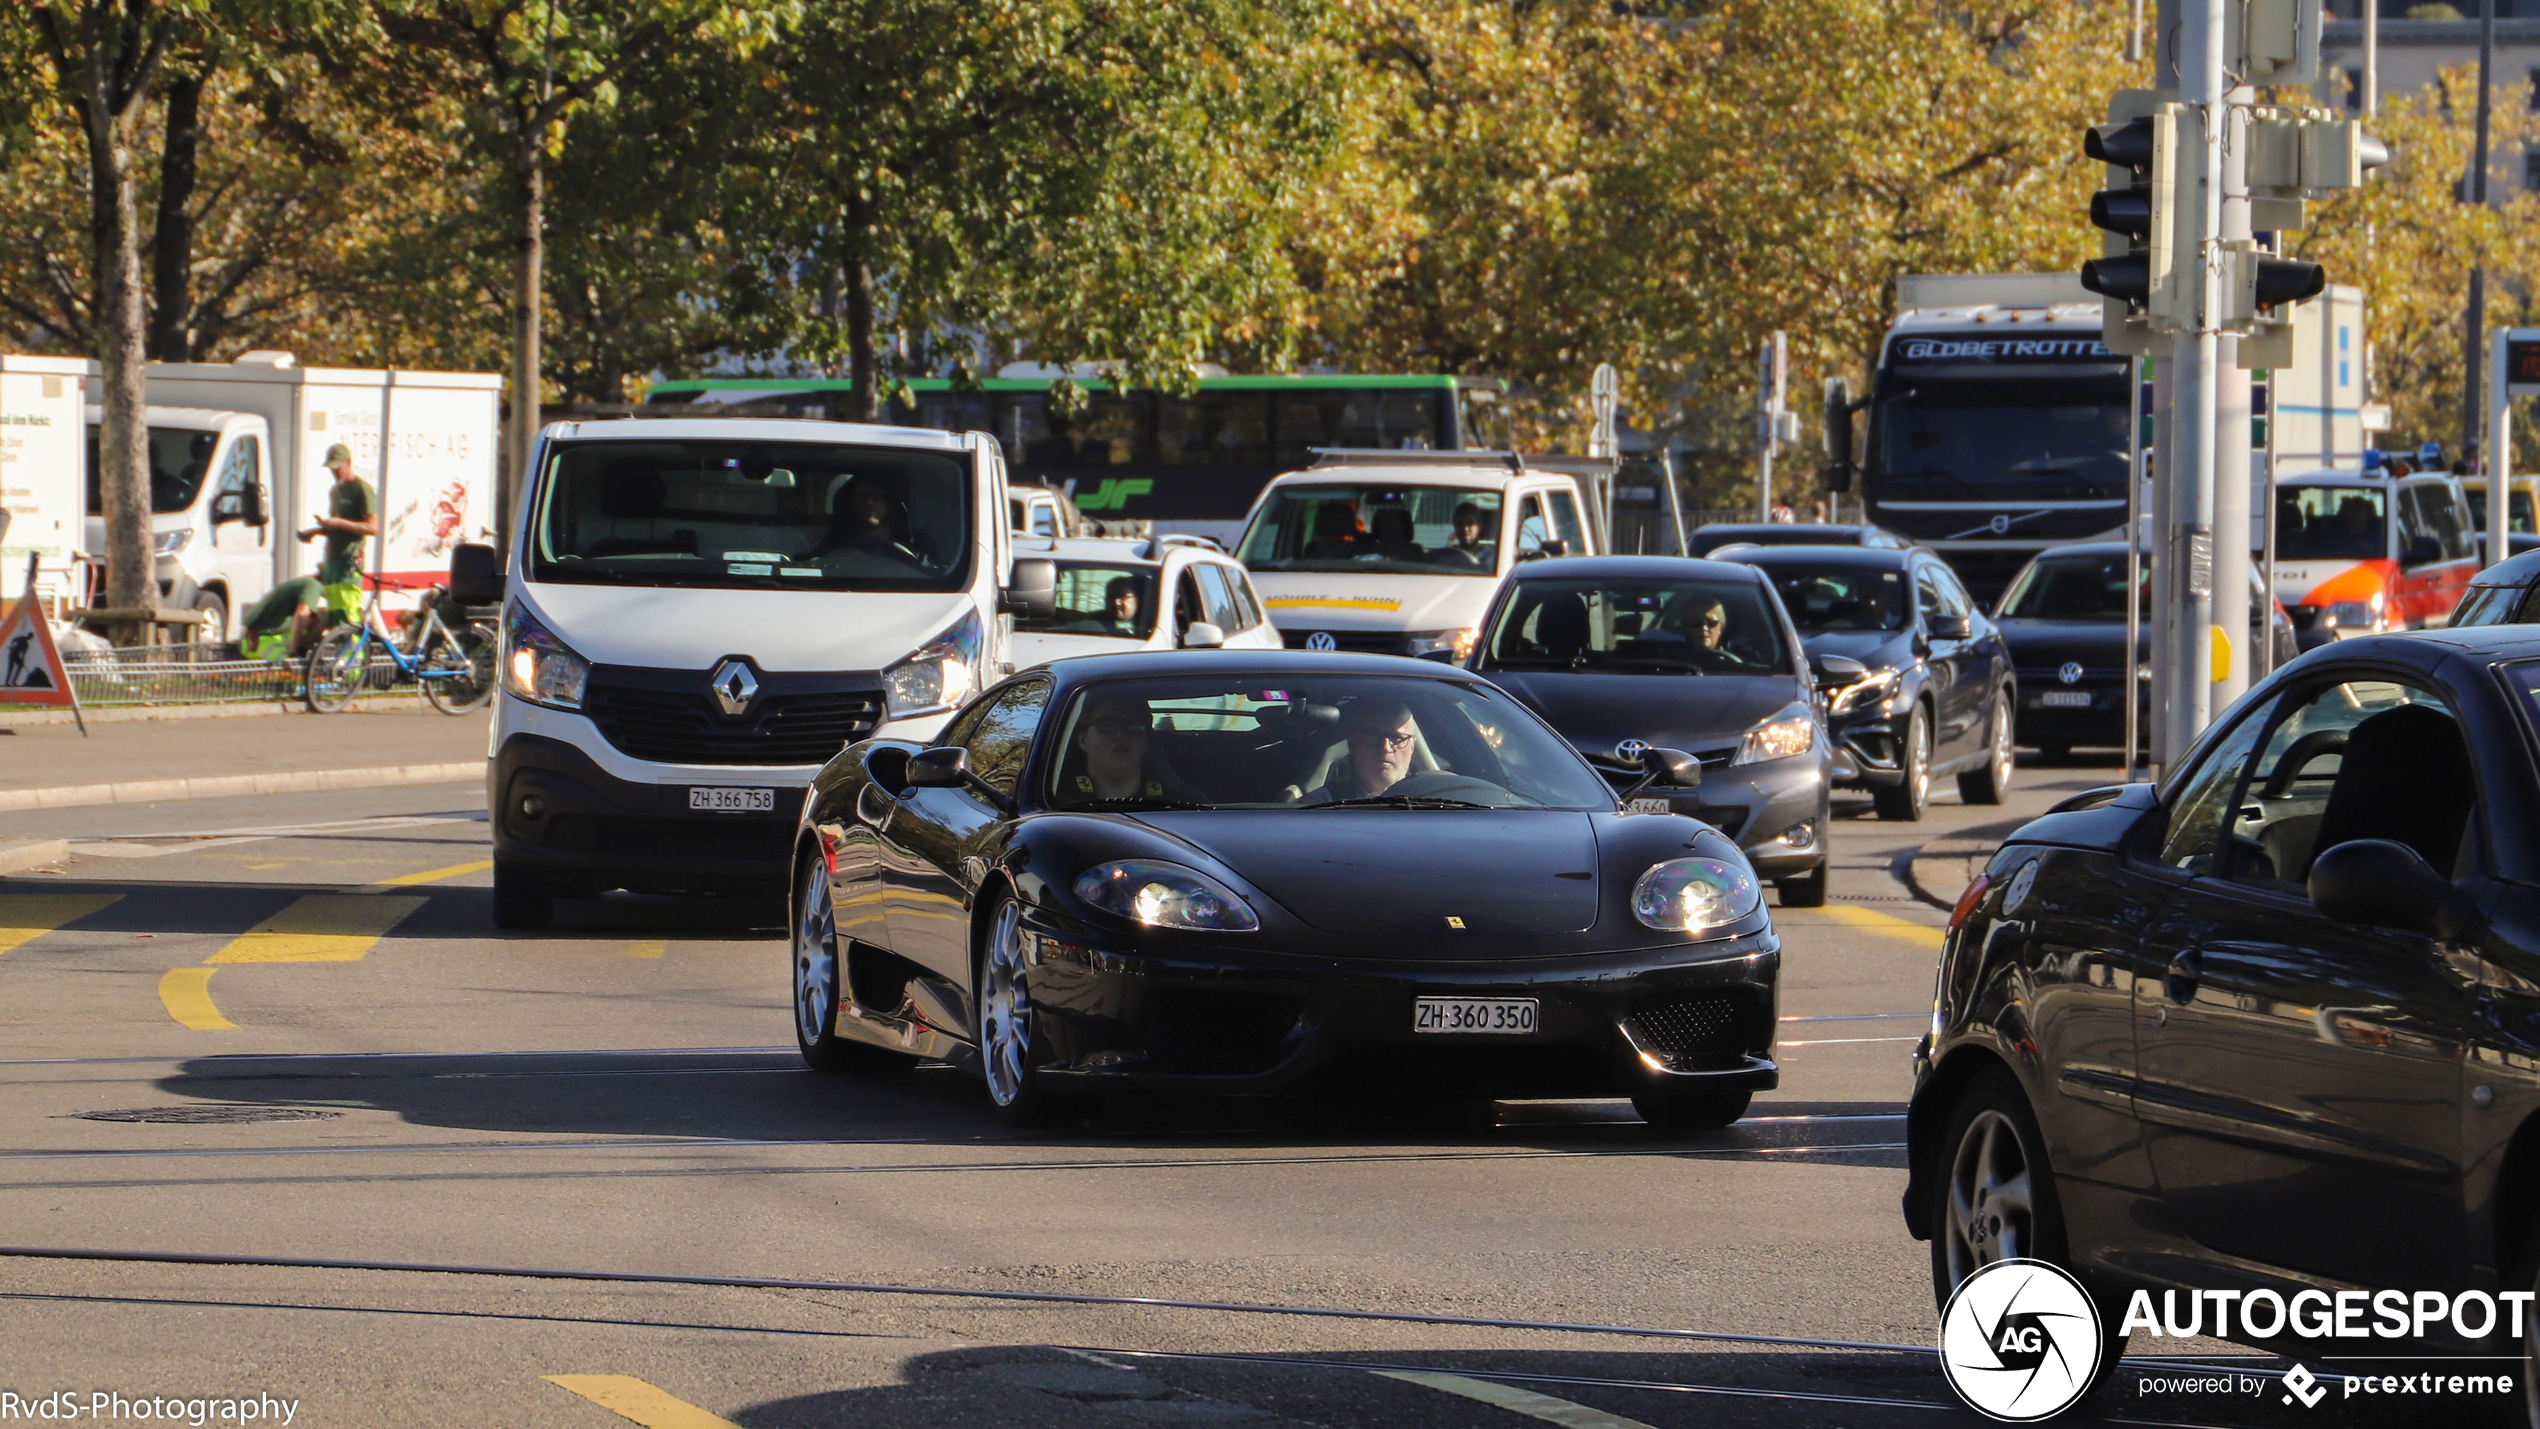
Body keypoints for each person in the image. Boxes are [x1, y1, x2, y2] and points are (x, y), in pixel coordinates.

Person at [235, 444, 373, 660]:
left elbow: (372, 527)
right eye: (331, 468)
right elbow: (334, 529)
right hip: (333, 564)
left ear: (348, 463)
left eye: (338, 468)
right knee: (335, 620)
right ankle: (340, 669)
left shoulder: (361, 489)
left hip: (349, 564)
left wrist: (339, 522)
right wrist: (317, 531)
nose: (334, 472)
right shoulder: (336, 491)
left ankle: (354, 668)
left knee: (349, 617)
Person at [1062, 693, 1204, 804]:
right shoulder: (1056, 801)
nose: (1120, 735)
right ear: (1082, 740)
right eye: (1107, 725)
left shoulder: (1178, 803)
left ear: (1146, 742)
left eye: (1133, 726)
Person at [1300, 696, 1420, 803]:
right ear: (1351, 742)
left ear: (1412, 746)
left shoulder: (1434, 802)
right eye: (1372, 736)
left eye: (1397, 738)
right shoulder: (1317, 808)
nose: (1385, 748)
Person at [1428, 503, 1493, 569]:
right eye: (1460, 524)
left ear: (1479, 527)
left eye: (1470, 523)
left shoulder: (1492, 558)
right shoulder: (1447, 557)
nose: (1465, 529)